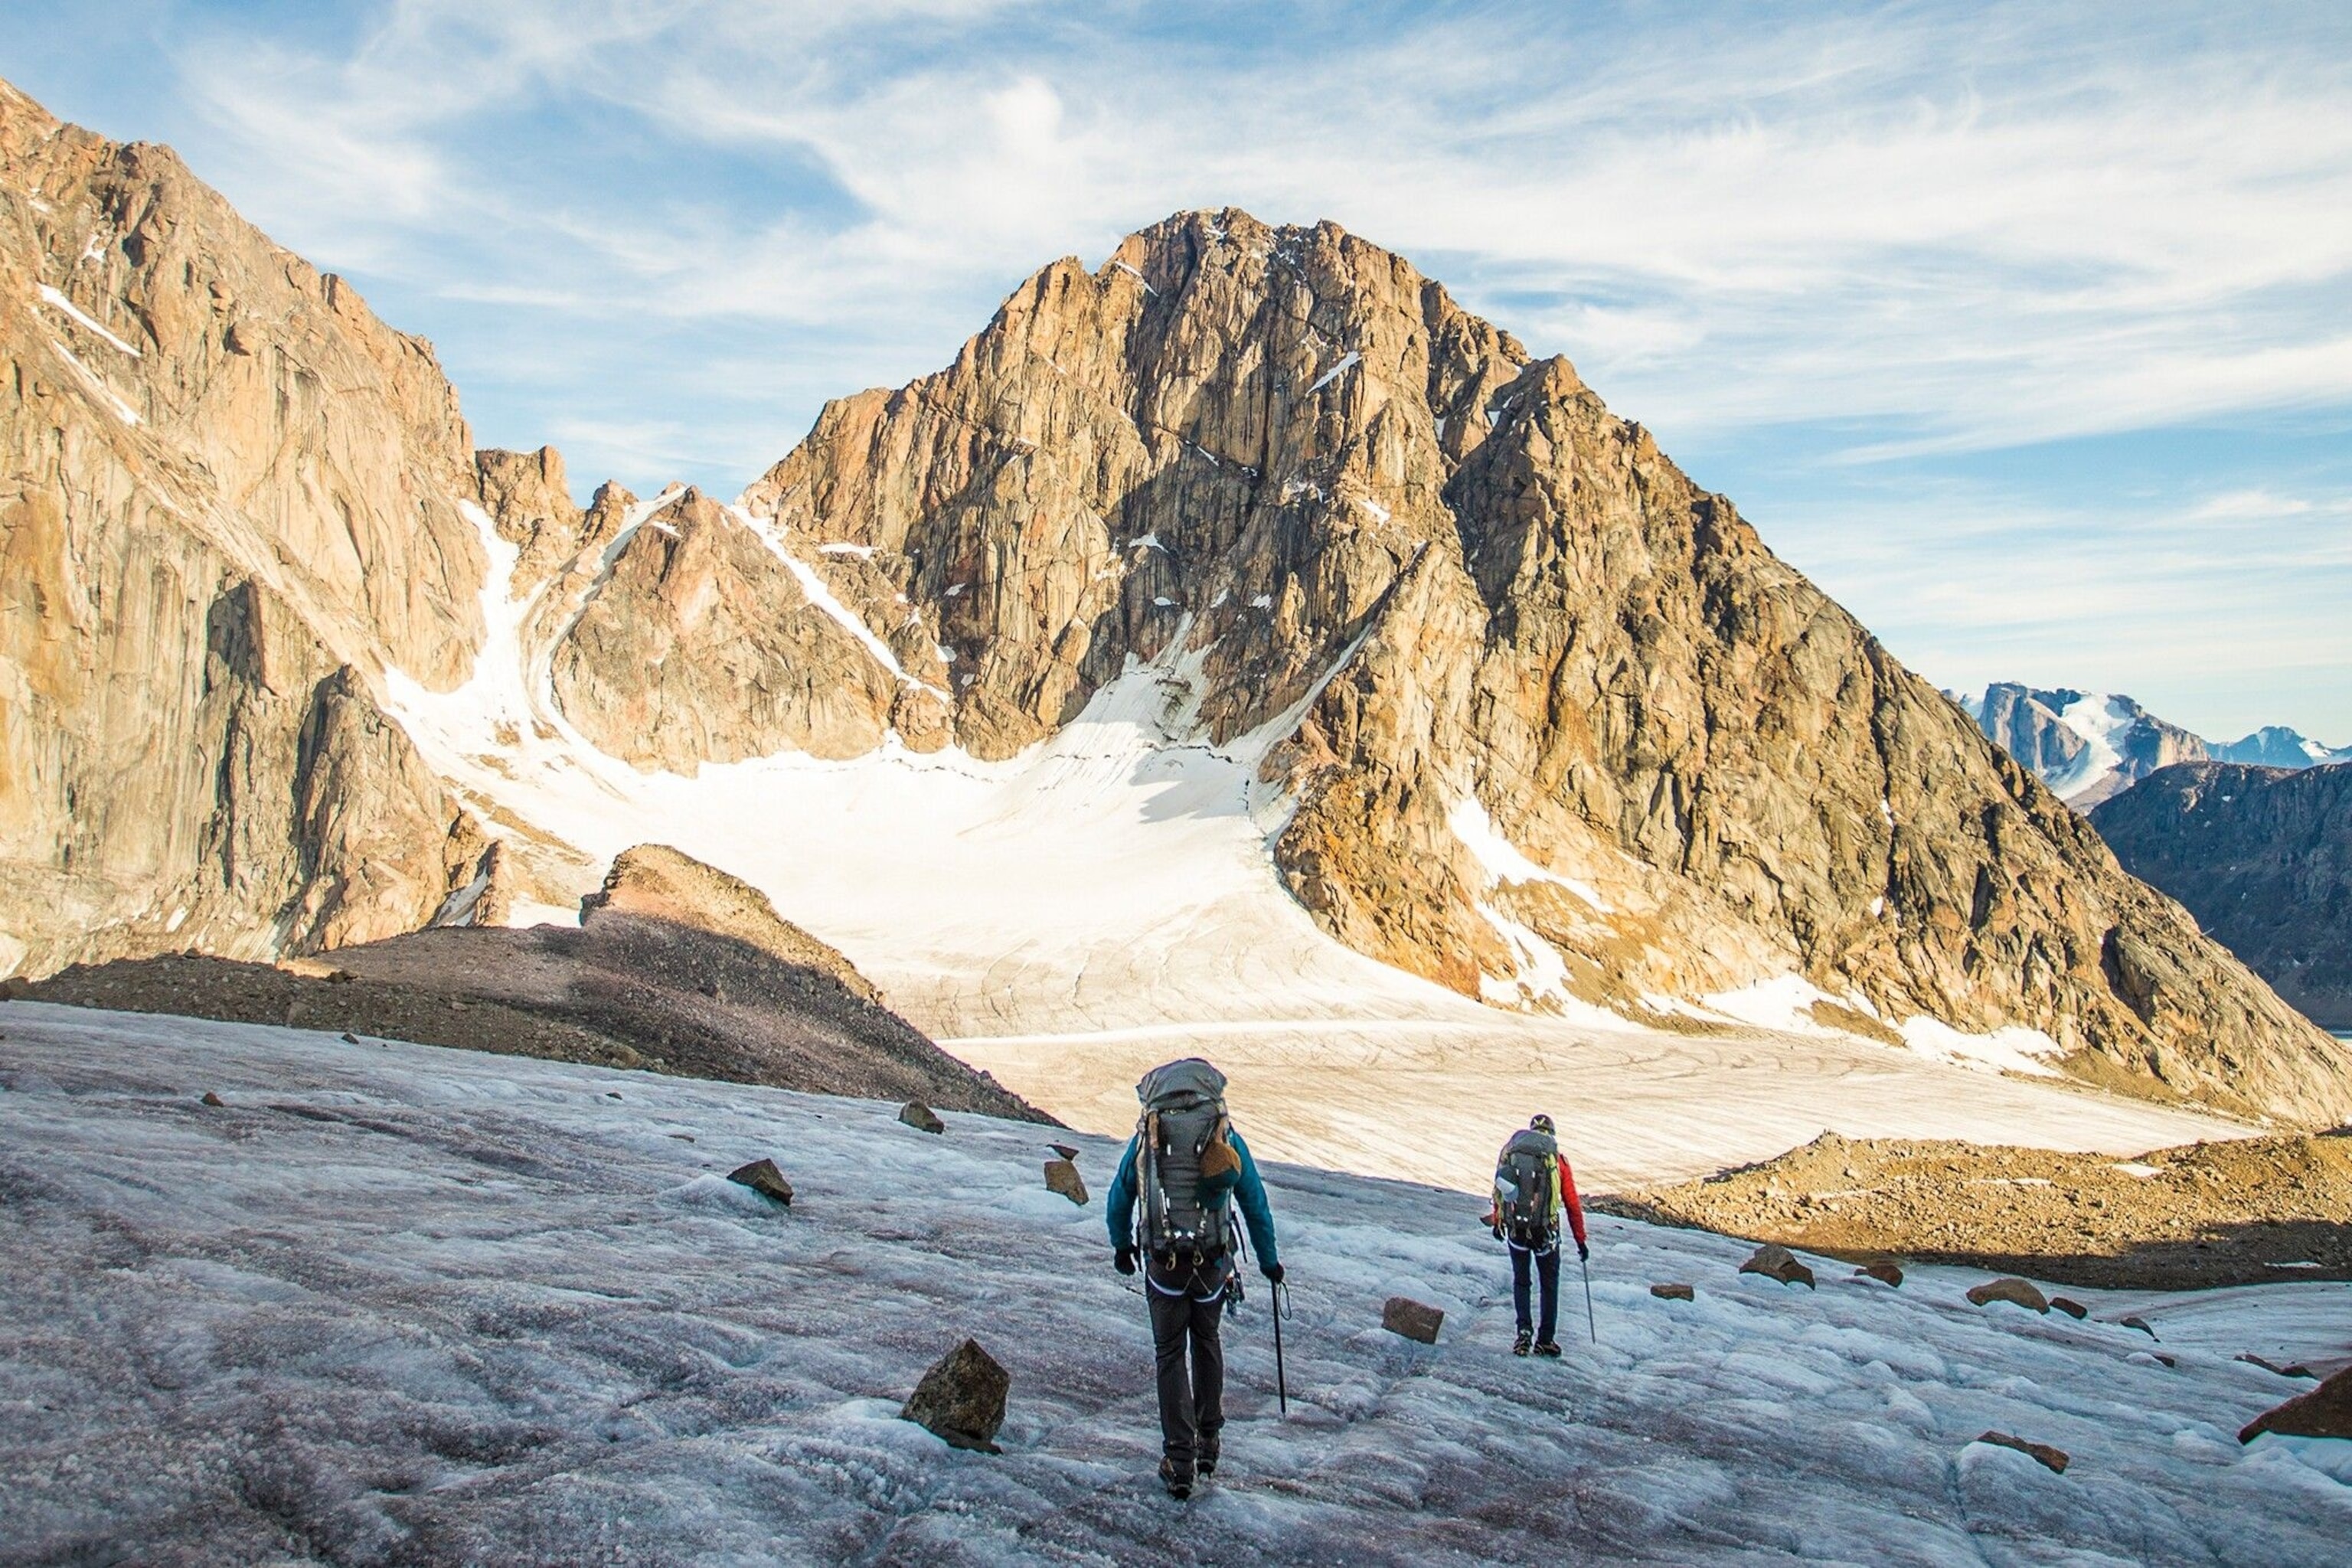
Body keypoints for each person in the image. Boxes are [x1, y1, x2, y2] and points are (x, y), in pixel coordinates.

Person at [1106, 1057, 1281, 1499]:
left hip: (1165, 1265)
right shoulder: (1223, 1133)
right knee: (1207, 1341)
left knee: (1170, 1354)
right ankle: (1209, 1441)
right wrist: (1269, 1261)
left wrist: (1122, 1247)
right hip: (1213, 1263)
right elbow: (1254, 1199)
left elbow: (1121, 1193)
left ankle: (1179, 1460)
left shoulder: (1149, 1133)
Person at [1487, 1112, 1588, 1357]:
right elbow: (1572, 1203)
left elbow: (1501, 1186)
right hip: (1546, 1233)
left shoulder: (1513, 1153)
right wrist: (1580, 1241)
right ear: (1551, 1134)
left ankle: (1523, 1334)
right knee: (1549, 1285)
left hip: (1517, 1231)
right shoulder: (1557, 1161)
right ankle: (1545, 1340)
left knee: (1522, 1280)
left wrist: (1499, 1219)